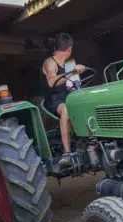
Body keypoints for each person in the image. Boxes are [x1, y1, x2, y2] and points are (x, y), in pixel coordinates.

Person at [40, 33, 85, 167]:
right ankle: (67, 153)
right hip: (53, 100)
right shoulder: (50, 63)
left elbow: (69, 84)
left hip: (67, 96)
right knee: (66, 109)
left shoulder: (68, 64)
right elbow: (51, 82)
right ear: (69, 49)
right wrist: (72, 73)